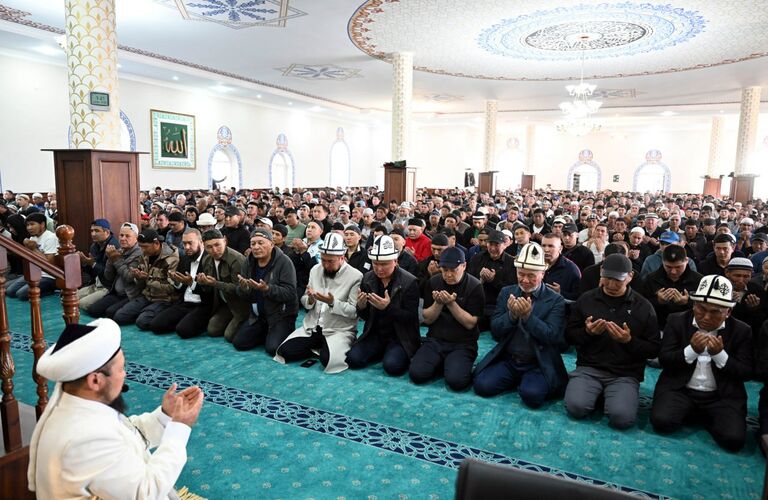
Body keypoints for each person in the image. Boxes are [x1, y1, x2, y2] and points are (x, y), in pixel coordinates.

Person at [28, 318, 204, 498]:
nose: (124, 375)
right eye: (120, 369)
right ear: (95, 380)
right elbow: (144, 493)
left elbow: (127, 435)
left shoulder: (77, 403)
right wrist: (179, 428)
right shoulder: (87, 438)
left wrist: (165, 415)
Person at [651, 275, 753, 451]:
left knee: (733, 440)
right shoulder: (676, 321)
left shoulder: (742, 331)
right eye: (701, 309)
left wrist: (720, 355)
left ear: (728, 312)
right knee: (662, 421)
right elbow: (664, 359)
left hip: (721, 397)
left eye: (715, 312)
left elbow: (747, 372)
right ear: (694, 305)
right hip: (680, 390)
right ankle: (700, 414)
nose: (706, 317)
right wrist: (691, 351)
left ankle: (703, 415)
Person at [564, 254, 660, 429]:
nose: (611, 285)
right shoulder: (586, 299)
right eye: (607, 278)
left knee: (621, 418)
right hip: (589, 368)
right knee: (576, 407)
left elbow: (653, 349)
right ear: (601, 272)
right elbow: (568, 336)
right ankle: (599, 394)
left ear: (630, 276)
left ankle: (608, 396)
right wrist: (587, 333)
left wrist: (628, 341)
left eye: (617, 280)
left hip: (624, 374)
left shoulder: (643, 307)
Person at [473, 242, 568, 407]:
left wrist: (527, 317)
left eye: (531, 275)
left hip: (538, 362)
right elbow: (495, 330)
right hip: (510, 359)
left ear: (543, 273)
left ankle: (527, 382)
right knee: (482, 386)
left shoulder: (555, 300)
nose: (525, 280)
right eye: (521, 274)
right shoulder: (507, 292)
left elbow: (552, 336)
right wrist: (512, 316)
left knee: (532, 396)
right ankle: (517, 379)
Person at [274, 232, 362, 373]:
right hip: (313, 327)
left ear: (342, 257)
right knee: (285, 351)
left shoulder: (355, 276)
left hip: (338, 330)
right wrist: (310, 299)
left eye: (330, 261)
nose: (325, 265)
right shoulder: (315, 269)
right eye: (323, 260)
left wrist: (332, 302)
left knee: (327, 360)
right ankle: (319, 347)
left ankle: (326, 348)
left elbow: (353, 311)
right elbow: (304, 299)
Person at [409, 247, 485, 391]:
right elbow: (427, 319)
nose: (448, 274)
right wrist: (438, 303)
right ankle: (444, 363)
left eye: (453, 270)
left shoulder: (474, 286)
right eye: (444, 270)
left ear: (464, 266)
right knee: (417, 374)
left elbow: (470, 323)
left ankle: (450, 364)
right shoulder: (433, 282)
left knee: (456, 381)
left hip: (462, 343)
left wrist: (451, 304)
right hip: (435, 340)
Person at [346, 235, 421, 375]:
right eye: (375, 263)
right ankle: (382, 351)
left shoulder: (409, 282)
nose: (379, 268)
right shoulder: (368, 278)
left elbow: (411, 318)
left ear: (395, 261)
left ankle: (389, 353)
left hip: (400, 336)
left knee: (392, 367)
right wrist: (361, 307)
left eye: (384, 264)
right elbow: (366, 317)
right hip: (375, 333)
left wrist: (388, 308)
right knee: (352, 359)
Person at [233, 228, 299, 353]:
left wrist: (267, 288)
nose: (256, 247)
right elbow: (243, 293)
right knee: (239, 343)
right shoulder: (249, 261)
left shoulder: (284, 262)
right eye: (253, 244)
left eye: (260, 243)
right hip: (258, 315)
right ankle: (267, 332)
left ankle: (280, 330)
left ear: (271, 244)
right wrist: (244, 289)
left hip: (280, 315)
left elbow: (290, 293)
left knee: (273, 348)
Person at [148, 229, 210, 338]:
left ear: (201, 242)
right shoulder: (185, 258)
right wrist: (176, 281)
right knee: (156, 325)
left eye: (190, 243)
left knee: (183, 330)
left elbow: (210, 292)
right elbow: (181, 288)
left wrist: (192, 284)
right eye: (184, 244)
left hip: (202, 304)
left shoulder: (209, 260)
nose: (186, 247)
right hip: (184, 303)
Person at [195, 229, 250, 342]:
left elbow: (240, 290)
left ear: (225, 240)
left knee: (229, 336)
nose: (214, 250)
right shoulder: (207, 260)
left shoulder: (236, 259)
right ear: (203, 246)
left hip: (241, 305)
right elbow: (208, 289)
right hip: (225, 303)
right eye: (209, 247)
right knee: (212, 330)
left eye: (217, 245)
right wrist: (203, 283)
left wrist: (215, 283)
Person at [636, 244, 702, 330]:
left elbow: (705, 308)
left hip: (688, 328)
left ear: (686, 261)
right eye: (668, 267)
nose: (673, 271)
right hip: (658, 326)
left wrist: (687, 302)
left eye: (678, 267)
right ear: (662, 262)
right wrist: (658, 301)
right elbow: (640, 306)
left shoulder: (699, 280)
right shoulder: (651, 279)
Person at [86, 223, 144, 319]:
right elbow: (108, 277)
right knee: (93, 310)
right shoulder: (119, 251)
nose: (123, 238)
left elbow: (129, 277)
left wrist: (116, 259)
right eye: (121, 235)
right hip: (116, 292)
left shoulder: (139, 254)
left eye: (127, 236)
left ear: (136, 238)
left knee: (111, 313)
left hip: (130, 294)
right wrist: (110, 259)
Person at [466, 229, 516, 331]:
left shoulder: (511, 263)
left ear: (504, 245)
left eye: (496, 245)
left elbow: (512, 290)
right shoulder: (477, 259)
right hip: (478, 304)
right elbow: (467, 283)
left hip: (500, 307)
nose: (493, 248)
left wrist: (494, 281)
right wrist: (480, 280)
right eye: (490, 244)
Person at [7, 213, 59, 300]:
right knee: (9, 291)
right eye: (27, 225)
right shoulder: (32, 238)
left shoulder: (51, 237)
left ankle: (51, 290)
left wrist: (34, 249)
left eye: (32, 224)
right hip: (34, 273)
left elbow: (49, 264)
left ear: (42, 224)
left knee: (21, 294)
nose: (29, 228)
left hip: (48, 276)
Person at [77, 219, 120, 311]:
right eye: (91, 231)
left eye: (97, 231)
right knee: (71, 298)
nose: (93, 234)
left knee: (82, 304)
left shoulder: (113, 247)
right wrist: (84, 263)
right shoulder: (94, 246)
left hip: (107, 286)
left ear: (107, 232)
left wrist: (92, 263)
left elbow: (109, 275)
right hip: (96, 283)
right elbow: (92, 272)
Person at [541, 233, 581, 302]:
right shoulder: (534, 264)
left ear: (560, 248)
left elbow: (578, 298)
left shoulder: (571, 269)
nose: (546, 249)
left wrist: (560, 293)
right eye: (543, 246)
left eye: (551, 246)